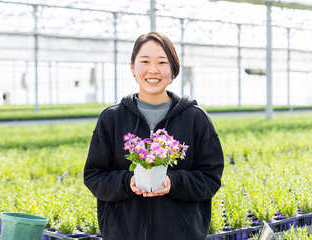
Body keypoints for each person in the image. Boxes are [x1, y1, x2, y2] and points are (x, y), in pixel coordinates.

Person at [84, 31, 224, 240]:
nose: (153, 70)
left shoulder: (196, 118)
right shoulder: (112, 118)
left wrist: (173, 182)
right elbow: (95, 176)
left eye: (162, 62)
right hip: (123, 234)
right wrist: (128, 182)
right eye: (145, 61)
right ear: (132, 67)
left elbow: (210, 178)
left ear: (173, 69)